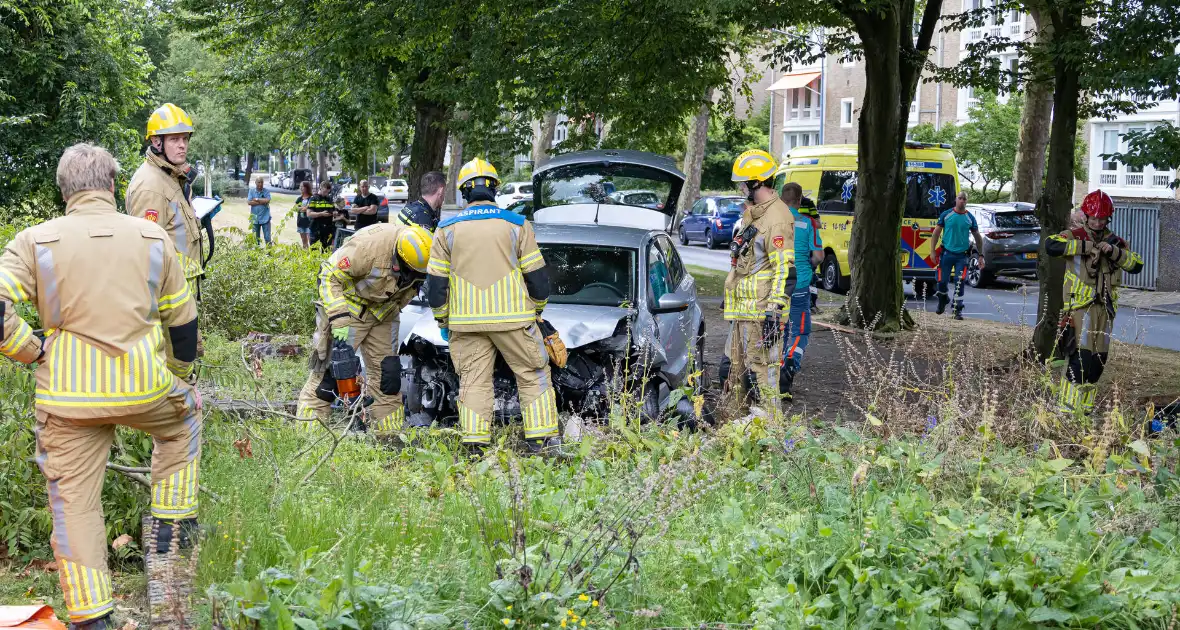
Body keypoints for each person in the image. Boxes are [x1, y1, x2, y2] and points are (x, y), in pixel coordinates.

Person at [0, 144, 201, 630]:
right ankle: (168, 541)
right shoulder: (152, 237)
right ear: (111, 185)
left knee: (75, 508)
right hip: (146, 390)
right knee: (184, 422)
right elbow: (183, 320)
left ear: (64, 189)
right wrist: (178, 375)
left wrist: (31, 350)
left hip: (67, 400)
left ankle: (93, 618)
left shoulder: (34, 241)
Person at [425, 158, 558, 454]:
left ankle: (475, 446)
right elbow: (538, 280)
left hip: (466, 324)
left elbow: (436, 288)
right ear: (495, 189)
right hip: (515, 321)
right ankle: (542, 442)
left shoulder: (445, 230)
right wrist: (537, 310)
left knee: (472, 383)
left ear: (463, 192)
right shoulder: (517, 225)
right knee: (532, 374)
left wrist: (443, 321)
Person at [294, 223, 433, 433]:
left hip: (385, 314)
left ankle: (389, 437)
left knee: (388, 378)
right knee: (328, 378)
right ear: (398, 254)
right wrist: (339, 318)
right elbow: (328, 276)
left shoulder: (423, 257)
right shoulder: (368, 247)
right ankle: (308, 435)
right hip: (350, 310)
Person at [1046, 189, 1143, 415]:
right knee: (1080, 359)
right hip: (1079, 307)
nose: (1098, 222)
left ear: (1108, 218)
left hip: (1105, 309)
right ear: (1086, 216)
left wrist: (1114, 252)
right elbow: (1051, 246)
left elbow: (1136, 265)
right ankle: (1068, 412)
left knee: (1098, 363)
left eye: (1102, 218)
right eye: (1094, 218)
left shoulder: (1116, 242)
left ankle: (1085, 413)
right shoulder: (1074, 234)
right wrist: (1085, 247)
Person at [720, 149, 793, 411]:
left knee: (763, 376)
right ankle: (734, 431)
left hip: (762, 315)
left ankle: (771, 432)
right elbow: (746, 261)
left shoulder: (777, 218)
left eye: (743, 184)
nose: (740, 189)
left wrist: (774, 312)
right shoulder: (757, 213)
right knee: (734, 373)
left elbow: (785, 270)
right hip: (745, 312)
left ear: (756, 183)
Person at [126, 103, 204, 294]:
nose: (182, 145)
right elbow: (146, 256)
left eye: (185, 138)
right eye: (175, 139)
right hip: (169, 300)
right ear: (156, 142)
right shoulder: (150, 187)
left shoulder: (170, 176)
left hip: (182, 293)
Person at [778, 183, 824, 401]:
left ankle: (774, 370)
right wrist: (809, 265)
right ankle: (789, 364)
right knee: (800, 332)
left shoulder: (772, 222)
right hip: (800, 284)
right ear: (799, 200)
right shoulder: (808, 223)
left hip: (776, 286)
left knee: (779, 330)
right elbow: (819, 256)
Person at [930, 191, 984, 320]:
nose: (962, 201)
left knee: (959, 281)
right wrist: (932, 251)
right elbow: (936, 233)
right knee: (942, 281)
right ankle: (943, 299)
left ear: (967, 201)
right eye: (960, 198)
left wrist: (981, 255)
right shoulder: (947, 214)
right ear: (956, 199)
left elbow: (978, 237)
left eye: (964, 199)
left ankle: (957, 309)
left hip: (962, 256)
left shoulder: (970, 217)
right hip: (947, 254)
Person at [306, 180, 337, 249]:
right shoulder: (313, 199)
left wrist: (334, 213)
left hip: (327, 230)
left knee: (326, 251)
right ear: (320, 188)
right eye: (325, 192)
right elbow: (309, 214)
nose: (326, 194)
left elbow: (333, 211)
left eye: (328, 192)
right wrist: (321, 214)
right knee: (314, 251)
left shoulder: (329, 199)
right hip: (316, 229)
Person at [247, 175, 272, 245]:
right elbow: (249, 202)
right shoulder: (251, 191)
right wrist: (262, 201)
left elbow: (267, 200)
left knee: (267, 238)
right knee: (255, 238)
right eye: (258, 182)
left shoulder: (266, 191)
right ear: (255, 183)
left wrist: (257, 199)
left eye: (261, 182)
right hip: (255, 218)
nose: (260, 184)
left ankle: (269, 254)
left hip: (265, 218)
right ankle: (257, 253)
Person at [294, 180, 313, 248]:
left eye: (302, 186)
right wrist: (304, 208)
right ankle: (305, 255)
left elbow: (308, 208)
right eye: (300, 186)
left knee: (311, 241)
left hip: (309, 223)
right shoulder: (299, 199)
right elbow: (295, 208)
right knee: (304, 241)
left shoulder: (311, 198)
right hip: (301, 222)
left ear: (307, 188)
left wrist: (302, 208)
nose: (301, 188)